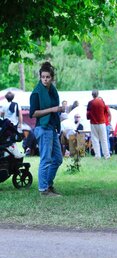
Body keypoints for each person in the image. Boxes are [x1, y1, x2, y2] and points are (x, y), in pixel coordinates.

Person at [29, 62, 64, 196]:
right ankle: (43, 189)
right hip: (42, 128)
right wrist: (52, 109)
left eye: (48, 77)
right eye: (43, 77)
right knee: (45, 159)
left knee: (58, 159)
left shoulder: (52, 91)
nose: (45, 79)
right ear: (40, 77)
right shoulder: (36, 93)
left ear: (52, 78)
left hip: (52, 127)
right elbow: (33, 113)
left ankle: (48, 184)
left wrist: (59, 110)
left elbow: (55, 108)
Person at [86, 89, 110, 159]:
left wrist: (89, 117)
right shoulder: (102, 102)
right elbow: (106, 111)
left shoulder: (90, 103)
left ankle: (97, 155)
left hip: (93, 123)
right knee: (104, 139)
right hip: (102, 123)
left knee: (95, 139)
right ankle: (107, 155)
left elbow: (88, 114)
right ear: (98, 94)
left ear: (92, 95)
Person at [1, 91, 24, 158]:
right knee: (13, 139)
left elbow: (1, 114)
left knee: (6, 139)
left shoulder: (4, 105)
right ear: (13, 97)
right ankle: (14, 152)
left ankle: (7, 153)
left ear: (6, 98)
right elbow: (20, 115)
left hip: (6, 125)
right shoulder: (16, 104)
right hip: (14, 125)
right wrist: (20, 123)